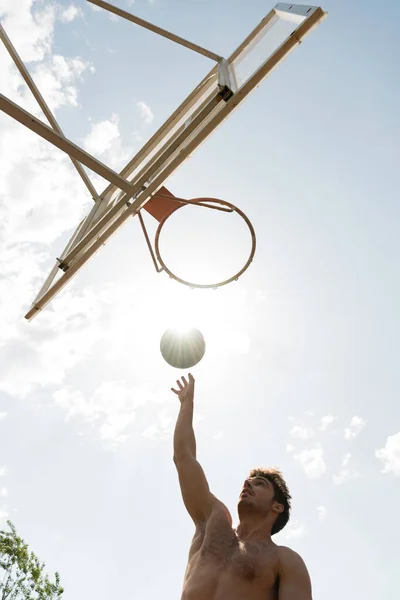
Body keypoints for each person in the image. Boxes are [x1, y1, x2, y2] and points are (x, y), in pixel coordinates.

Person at [172, 374, 312, 600]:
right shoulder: (212, 521)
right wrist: (187, 405)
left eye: (260, 484)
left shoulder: (284, 560)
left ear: (277, 507)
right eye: (249, 481)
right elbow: (184, 458)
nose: (248, 484)